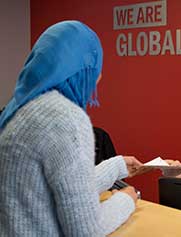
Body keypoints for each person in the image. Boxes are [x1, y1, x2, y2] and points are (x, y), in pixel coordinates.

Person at [0, 20, 151, 236]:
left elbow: (67, 187)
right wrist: (127, 198)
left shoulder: (19, 106)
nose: (99, 77)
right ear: (82, 71)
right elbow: (86, 229)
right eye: (95, 68)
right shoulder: (65, 117)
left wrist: (118, 166)